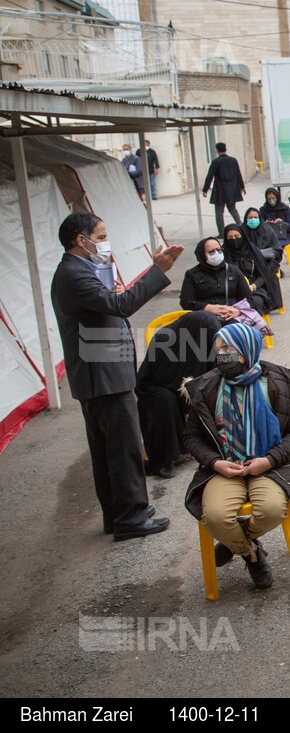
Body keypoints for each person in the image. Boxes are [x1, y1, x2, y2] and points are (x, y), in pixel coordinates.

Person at [49, 211, 184, 539]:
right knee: (123, 449)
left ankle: (119, 512)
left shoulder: (80, 269)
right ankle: (131, 518)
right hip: (103, 375)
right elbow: (121, 305)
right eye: (100, 237)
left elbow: (108, 304)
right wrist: (157, 272)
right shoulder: (75, 274)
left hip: (100, 370)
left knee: (109, 449)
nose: (105, 243)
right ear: (81, 241)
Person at [181, 322, 290, 590]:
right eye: (218, 349)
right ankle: (251, 553)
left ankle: (233, 544)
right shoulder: (206, 387)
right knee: (216, 517)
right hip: (224, 467)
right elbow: (190, 438)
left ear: (247, 349)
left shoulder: (276, 382)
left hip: (271, 464)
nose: (221, 355)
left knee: (272, 510)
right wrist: (216, 462)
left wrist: (269, 460)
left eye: (228, 348)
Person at [136, 310, 221, 478]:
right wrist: (185, 386)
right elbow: (154, 378)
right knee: (164, 399)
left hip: (188, 384)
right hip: (158, 388)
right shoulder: (164, 340)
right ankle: (163, 458)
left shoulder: (210, 342)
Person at [180, 237, 251, 319]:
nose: (216, 254)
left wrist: (238, 311)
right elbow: (186, 302)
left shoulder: (233, 270)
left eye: (219, 250)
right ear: (202, 255)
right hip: (205, 318)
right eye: (211, 252)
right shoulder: (192, 274)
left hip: (233, 316)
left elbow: (248, 298)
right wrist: (208, 308)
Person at [222, 224, 282, 315]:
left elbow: (264, 275)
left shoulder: (253, 252)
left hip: (254, 288)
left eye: (237, 236)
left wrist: (253, 286)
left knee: (254, 303)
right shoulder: (224, 256)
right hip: (232, 291)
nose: (234, 240)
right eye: (230, 237)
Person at [202, 142, 247, 234]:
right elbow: (238, 174)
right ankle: (241, 227)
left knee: (219, 212)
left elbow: (210, 176)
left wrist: (205, 189)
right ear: (226, 149)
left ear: (217, 150)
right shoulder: (233, 160)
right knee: (232, 208)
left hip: (220, 190)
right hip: (232, 189)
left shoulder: (216, 162)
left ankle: (221, 232)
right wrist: (242, 187)